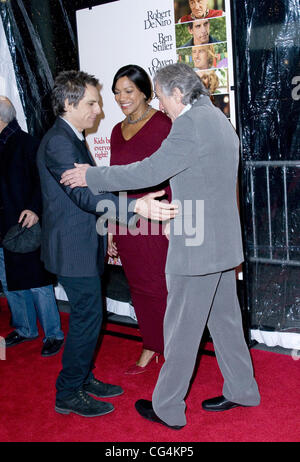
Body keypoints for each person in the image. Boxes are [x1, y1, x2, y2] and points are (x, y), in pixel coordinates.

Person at [61, 63, 260, 430]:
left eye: (162, 95)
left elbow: (147, 171)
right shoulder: (217, 119)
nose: (161, 104)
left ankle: (167, 406)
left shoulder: (189, 124)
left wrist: (92, 175)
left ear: (178, 93)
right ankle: (243, 389)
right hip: (221, 241)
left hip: (197, 244)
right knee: (226, 322)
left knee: (181, 328)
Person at [36, 70, 176, 418]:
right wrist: (136, 207)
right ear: (70, 104)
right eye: (92, 102)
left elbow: (94, 188)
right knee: (87, 319)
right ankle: (68, 391)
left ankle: (82, 378)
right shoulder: (59, 142)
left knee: (90, 317)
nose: (100, 110)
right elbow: (85, 197)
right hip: (73, 250)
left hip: (84, 245)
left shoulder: (71, 137)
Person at [108, 65, 172, 374]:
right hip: (126, 218)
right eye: (117, 92)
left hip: (157, 216)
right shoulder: (115, 130)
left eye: (128, 91)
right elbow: (113, 181)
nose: (122, 97)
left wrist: (174, 220)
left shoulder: (162, 125)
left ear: (145, 91)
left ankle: (171, 347)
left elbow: (175, 175)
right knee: (137, 286)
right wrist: (110, 225)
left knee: (160, 285)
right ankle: (150, 343)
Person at [0, 96, 64, 357]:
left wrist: (35, 209)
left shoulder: (28, 143)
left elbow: (45, 181)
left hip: (24, 223)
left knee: (37, 281)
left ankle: (53, 334)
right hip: (2, 224)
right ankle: (25, 328)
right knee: (7, 280)